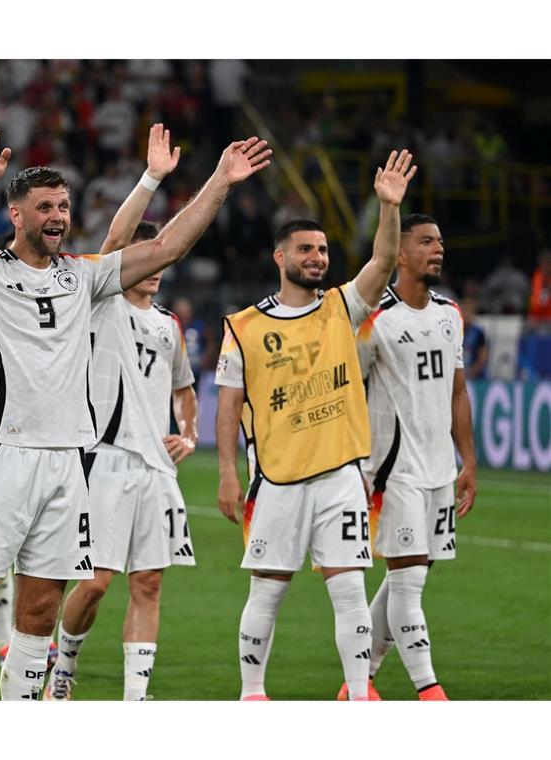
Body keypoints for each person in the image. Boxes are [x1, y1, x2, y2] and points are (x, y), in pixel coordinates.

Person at [0, 127, 270, 700]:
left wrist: (219, 181)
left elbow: (167, 247)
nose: (58, 216)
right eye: (45, 207)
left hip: (68, 465)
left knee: (41, 609)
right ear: (18, 215)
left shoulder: (85, 275)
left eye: (65, 206)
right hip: (0, 458)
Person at [214, 150, 418, 701]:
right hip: (276, 478)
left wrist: (388, 208)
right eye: (306, 249)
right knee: (267, 591)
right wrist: (228, 475)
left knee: (350, 589)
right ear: (280, 256)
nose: (317, 257)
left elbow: (381, 261)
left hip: (339, 476)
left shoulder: (341, 309)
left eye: (324, 250)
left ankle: (356, 695)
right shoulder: (244, 326)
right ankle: (252, 694)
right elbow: (229, 406)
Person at [47, 127, 200, 701]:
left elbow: (185, 387)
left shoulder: (168, 325)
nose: (154, 268)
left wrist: (187, 433)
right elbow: (111, 244)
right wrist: (152, 177)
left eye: (158, 258)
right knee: (97, 582)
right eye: (145, 259)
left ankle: (136, 699)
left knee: (150, 582)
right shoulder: (101, 303)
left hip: (156, 468)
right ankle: (63, 665)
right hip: (104, 460)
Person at [347, 213, 477, 701]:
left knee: (414, 570)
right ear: (400, 255)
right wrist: (357, 467)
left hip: (439, 468)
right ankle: (429, 689)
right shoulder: (375, 318)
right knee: (409, 580)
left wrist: (468, 462)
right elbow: (351, 394)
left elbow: (458, 393)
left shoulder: (450, 314)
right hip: (391, 470)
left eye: (440, 241)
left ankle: (360, 677)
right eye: (426, 241)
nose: (438, 249)